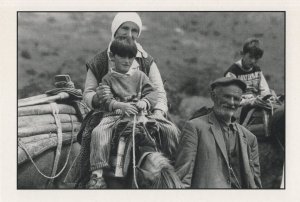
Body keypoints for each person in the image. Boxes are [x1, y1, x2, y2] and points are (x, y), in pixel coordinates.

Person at [175, 77, 262, 188]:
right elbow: (182, 178)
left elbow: (256, 183)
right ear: (213, 96)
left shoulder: (250, 138)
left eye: (236, 98)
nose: (231, 102)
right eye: (226, 96)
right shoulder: (194, 127)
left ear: (240, 101)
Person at [224, 38, 271, 123]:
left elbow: (265, 90)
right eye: (250, 57)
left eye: (256, 58)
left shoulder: (257, 70)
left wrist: (264, 98)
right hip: (238, 108)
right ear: (243, 54)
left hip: (256, 103)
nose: (253, 61)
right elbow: (232, 98)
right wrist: (251, 102)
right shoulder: (232, 72)